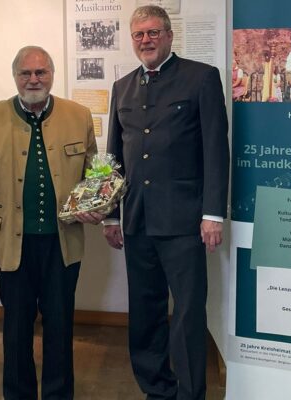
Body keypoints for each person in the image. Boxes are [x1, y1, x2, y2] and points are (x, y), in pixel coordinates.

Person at [103, 5, 229, 400]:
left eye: (153, 32)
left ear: (170, 35)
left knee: (188, 314)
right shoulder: (122, 87)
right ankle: (156, 389)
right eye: (139, 34)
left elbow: (215, 150)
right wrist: (110, 213)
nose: (146, 40)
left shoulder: (201, 78)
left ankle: (191, 393)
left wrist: (212, 213)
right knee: (144, 312)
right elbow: (114, 157)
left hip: (184, 222)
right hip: (137, 220)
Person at [0, 46, 100, 400]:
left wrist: (98, 206)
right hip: (11, 245)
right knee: (15, 331)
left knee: (60, 328)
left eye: (41, 72)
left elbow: (95, 178)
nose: (33, 79)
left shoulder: (79, 115)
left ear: (52, 75)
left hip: (62, 243)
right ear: (15, 77)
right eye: (26, 73)